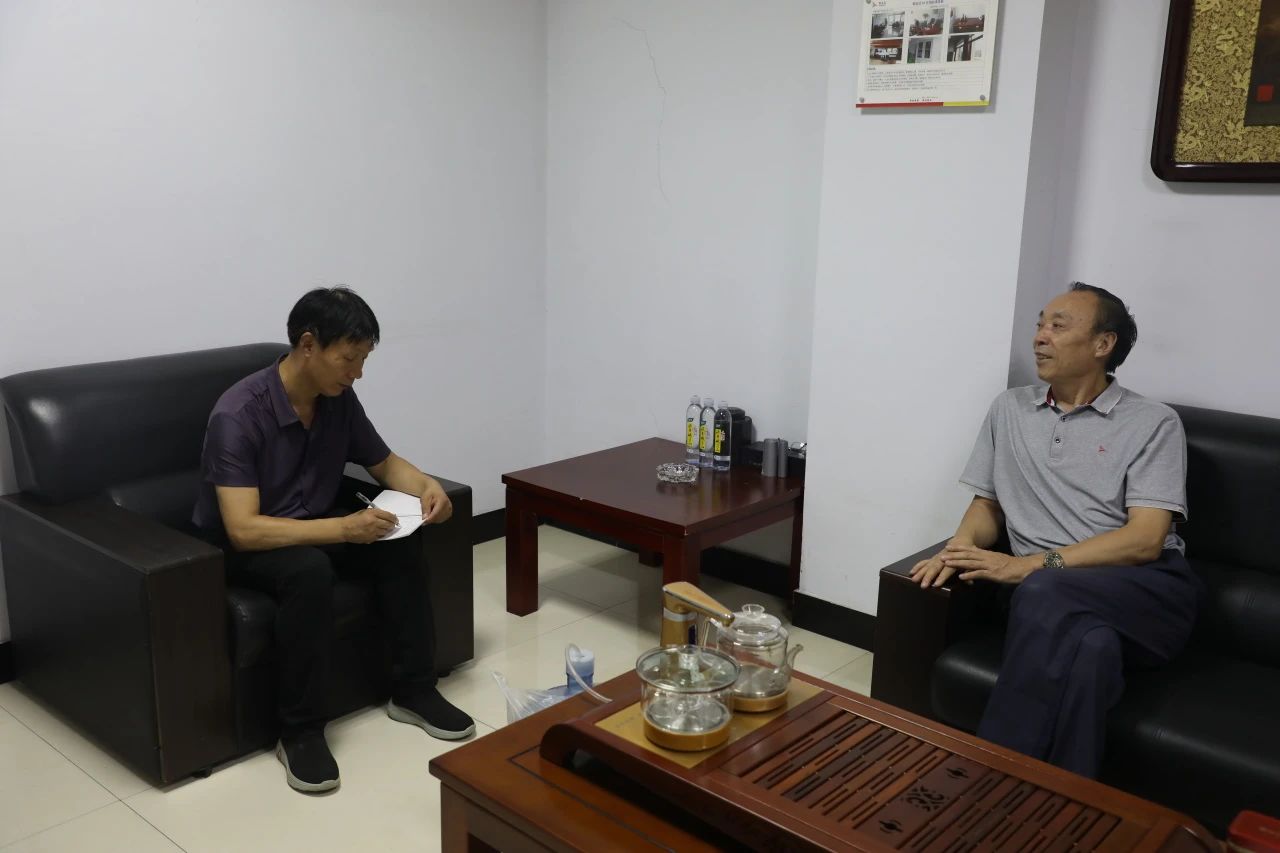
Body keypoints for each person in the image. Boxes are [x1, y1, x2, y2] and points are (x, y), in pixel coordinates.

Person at [910, 282, 1203, 778]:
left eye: (1058, 326)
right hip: (1050, 598)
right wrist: (959, 547)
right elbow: (987, 503)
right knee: (1092, 651)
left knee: (1044, 589)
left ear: (1103, 344)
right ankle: (1061, 802)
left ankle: (987, 779)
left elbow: (1144, 540)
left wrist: (1028, 566)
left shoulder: (1153, 422)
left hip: (1146, 590)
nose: (1040, 337)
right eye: (1040, 325)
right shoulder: (1009, 409)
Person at [193, 286, 474, 794]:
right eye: (349, 358)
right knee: (308, 571)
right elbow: (243, 528)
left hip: (313, 523)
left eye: (364, 359)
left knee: (397, 537)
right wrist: (345, 529)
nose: (357, 372)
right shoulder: (238, 414)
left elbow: (383, 463)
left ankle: (413, 690)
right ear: (308, 345)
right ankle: (299, 732)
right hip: (245, 547)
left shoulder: (338, 399)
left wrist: (426, 486)